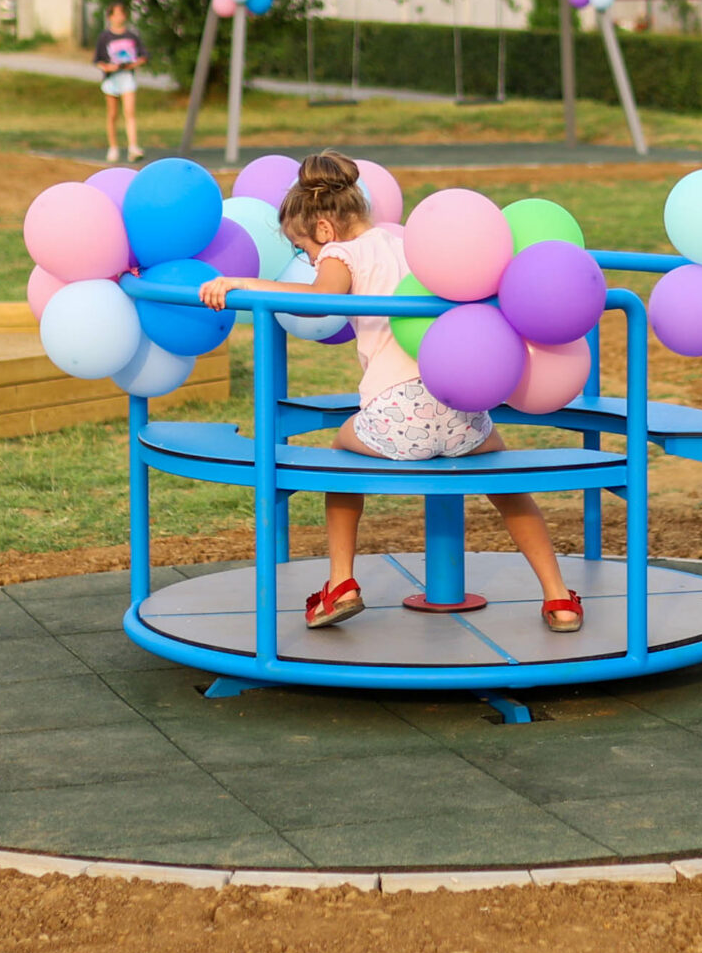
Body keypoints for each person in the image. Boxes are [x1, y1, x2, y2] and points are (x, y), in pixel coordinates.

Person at [197, 153, 583, 635]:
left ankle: (340, 583)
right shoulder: (411, 243)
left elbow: (320, 300)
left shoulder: (343, 254)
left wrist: (241, 283)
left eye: (305, 250)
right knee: (509, 489)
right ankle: (559, 597)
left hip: (396, 418)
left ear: (323, 229)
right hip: (463, 408)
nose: (311, 261)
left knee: (338, 457)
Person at [92, 2, 147, 164]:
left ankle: (133, 147)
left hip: (127, 78)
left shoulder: (131, 36)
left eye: (122, 14)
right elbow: (98, 60)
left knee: (129, 112)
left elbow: (143, 56)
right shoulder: (105, 37)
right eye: (116, 14)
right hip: (111, 79)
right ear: (110, 17)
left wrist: (133, 64)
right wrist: (109, 67)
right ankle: (113, 147)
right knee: (112, 114)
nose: (119, 17)